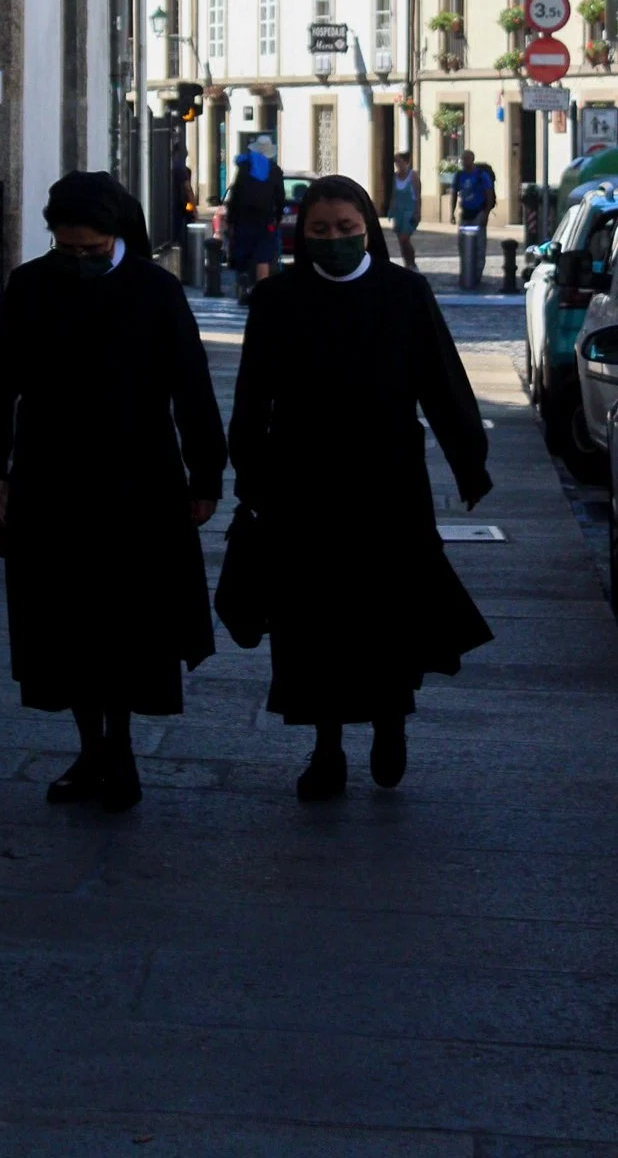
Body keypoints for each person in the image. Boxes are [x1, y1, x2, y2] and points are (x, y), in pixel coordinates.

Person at [227, 174, 493, 802]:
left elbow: (444, 383)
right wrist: (250, 474)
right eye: (319, 231)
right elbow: (250, 398)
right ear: (302, 234)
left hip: (388, 486)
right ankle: (325, 749)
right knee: (311, 623)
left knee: (385, 616)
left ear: (367, 227)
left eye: (346, 229)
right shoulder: (277, 301)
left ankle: (390, 724)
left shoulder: (405, 293)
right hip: (303, 489)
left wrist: (469, 464)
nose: (335, 241)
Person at [0, 170, 227, 812]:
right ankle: (92, 750)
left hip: (138, 486)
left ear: (115, 235)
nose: (80, 259)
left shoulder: (155, 290)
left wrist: (206, 475)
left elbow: (191, 387)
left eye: (92, 249)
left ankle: (121, 749)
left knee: (128, 627)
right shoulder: (30, 288)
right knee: (65, 627)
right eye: (68, 249)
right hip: (52, 483)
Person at [225, 135, 286, 300]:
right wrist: (278, 217)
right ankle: (262, 293)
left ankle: (244, 287)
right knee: (263, 256)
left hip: (244, 218)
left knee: (243, 252)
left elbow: (235, 195)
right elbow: (280, 198)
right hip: (266, 220)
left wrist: (230, 221)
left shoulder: (244, 167)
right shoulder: (275, 170)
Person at [450, 149, 496, 290]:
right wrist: (451, 213)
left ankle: (477, 276)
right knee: (463, 246)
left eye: (466, 159)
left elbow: (489, 194)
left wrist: (486, 214)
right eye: (462, 159)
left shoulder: (481, 176)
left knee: (479, 247)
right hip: (465, 213)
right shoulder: (459, 176)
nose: (464, 162)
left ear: (472, 159)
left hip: (478, 213)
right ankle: (465, 275)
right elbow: (454, 193)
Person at [390, 149, 422, 268]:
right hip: (399, 212)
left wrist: (418, 212)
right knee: (401, 242)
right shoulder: (395, 177)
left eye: (399, 161)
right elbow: (393, 196)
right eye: (396, 162)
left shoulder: (412, 176)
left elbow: (418, 195)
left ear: (406, 162)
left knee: (405, 239)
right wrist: (392, 213)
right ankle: (407, 263)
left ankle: (412, 263)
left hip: (410, 211)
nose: (397, 164)